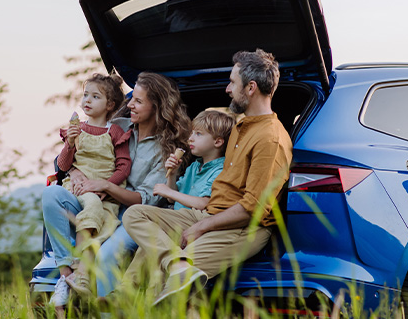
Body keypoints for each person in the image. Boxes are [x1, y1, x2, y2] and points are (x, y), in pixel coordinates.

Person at [121, 49, 293, 306]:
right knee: (135, 214)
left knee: (173, 287)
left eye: (233, 82)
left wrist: (201, 227)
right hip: (210, 214)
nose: (227, 89)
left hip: (241, 228)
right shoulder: (241, 126)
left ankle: (171, 276)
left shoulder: (270, 139)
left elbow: (252, 209)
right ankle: (174, 265)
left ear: (251, 87)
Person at [41, 72, 190, 307]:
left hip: (133, 215)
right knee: (51, 194)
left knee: (107, 255)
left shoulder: (166, 149)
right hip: (94, 202)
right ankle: (67, 277)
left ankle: (106, 310)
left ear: (157, 107)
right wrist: (75, 172)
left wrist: (106, 186)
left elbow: (147, 200)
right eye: (132, 99)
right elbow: (74, 159)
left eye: (138, 101)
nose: (129, 104)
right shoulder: (117, 126)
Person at [117, 109, 235, 294]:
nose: (191, 138)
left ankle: (139, 294)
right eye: (192, 133)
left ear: (218, 142)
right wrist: (171, 175)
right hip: (176, 218)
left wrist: (167, 192)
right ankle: (124, 293)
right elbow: (174, 192)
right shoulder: (194, 166)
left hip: (194, 220)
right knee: (147, 247)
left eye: (198, 134)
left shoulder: (220, 169)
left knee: (147, 236)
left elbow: (203, 203)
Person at [53, 73, 131, 298]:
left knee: (100, 211)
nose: (87, 100)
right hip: (77, 190)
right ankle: (81, 266)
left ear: (110, 105)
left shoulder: (114, 132)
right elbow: (63, 165)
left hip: (103, 191)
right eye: (85, 94)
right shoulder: (76, 131)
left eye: (95, 96)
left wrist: (104, 186)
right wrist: (69, 143)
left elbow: (123, 167)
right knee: (93, 206)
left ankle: (83, 274)